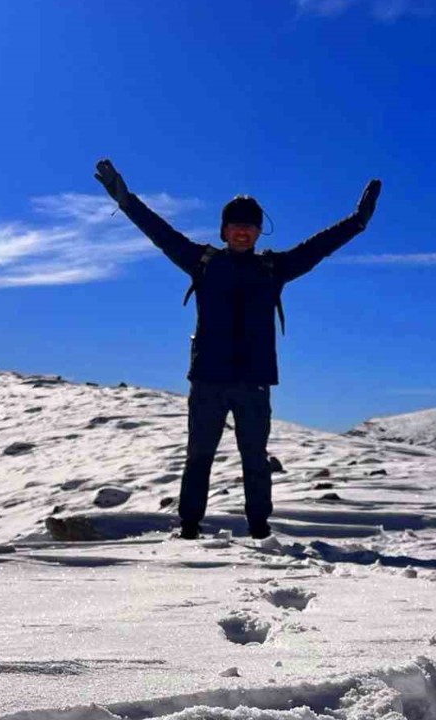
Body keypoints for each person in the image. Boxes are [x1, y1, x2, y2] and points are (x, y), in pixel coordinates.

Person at [94, 159, 381, 540]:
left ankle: (259, 529)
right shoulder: (203, 261)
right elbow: (161, 233)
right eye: (235, 226)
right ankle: (189, 527)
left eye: (249, 226)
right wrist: (126, 200)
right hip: (208, 379)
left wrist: (357, 221)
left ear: (259, 231)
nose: (242, 233)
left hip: (254, 381)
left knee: (255, 460)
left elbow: (318, 247)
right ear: (224, 230)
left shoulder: (274, 268)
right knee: (199, 456)